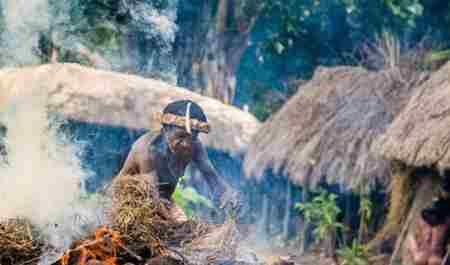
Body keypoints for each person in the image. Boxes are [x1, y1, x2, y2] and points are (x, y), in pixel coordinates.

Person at [116, 99, 240, 222]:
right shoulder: (147, 150)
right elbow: (151, 198)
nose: (186, 144)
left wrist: (228, 195)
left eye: (193, 137)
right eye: (180, 136)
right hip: (126, 206)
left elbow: (212, 178)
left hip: (164, 202)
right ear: (165, 130)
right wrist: (179, 228)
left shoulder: (195, 147)